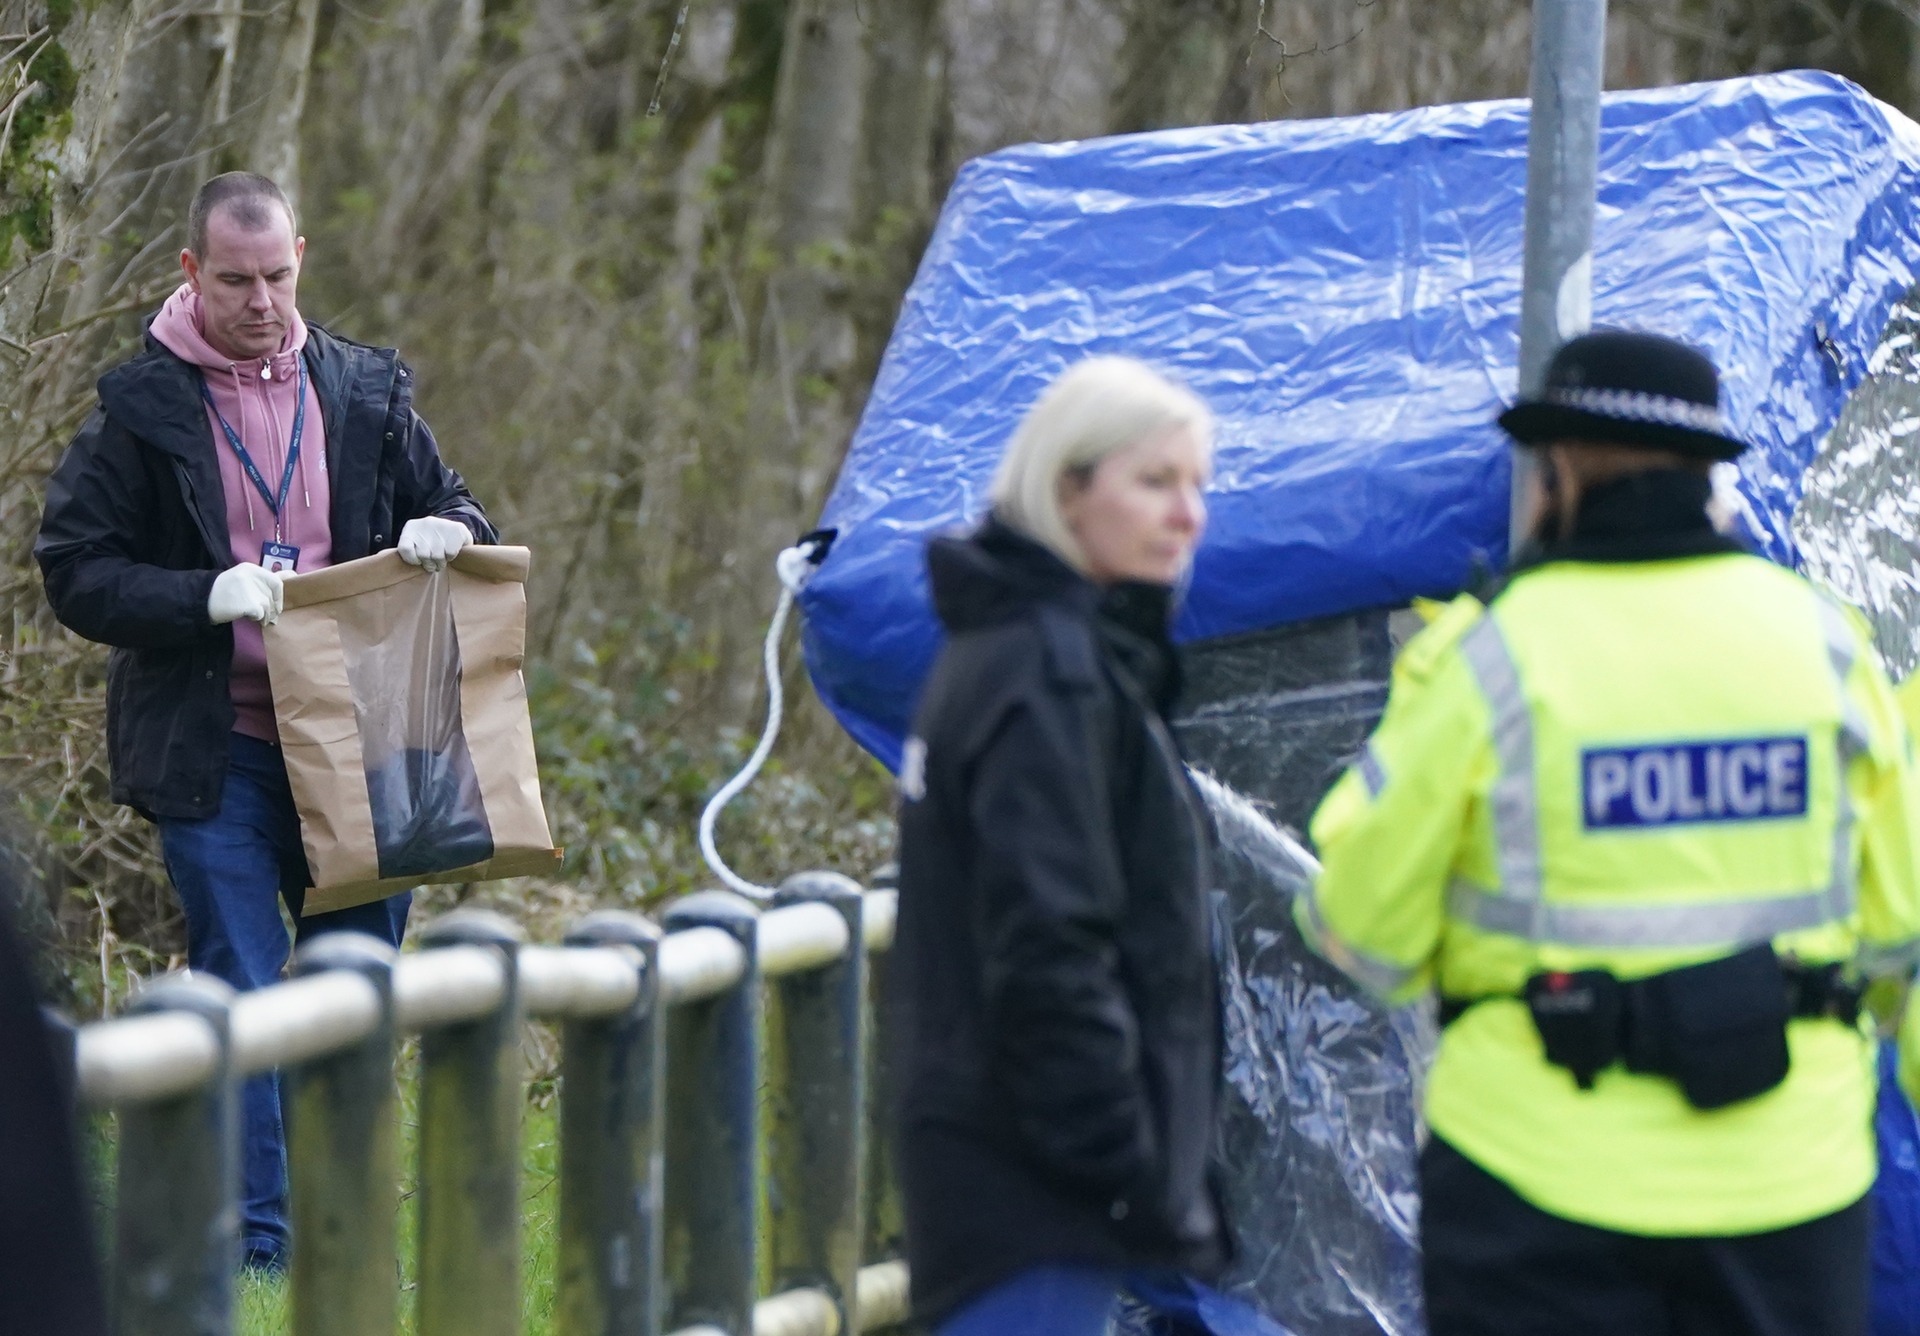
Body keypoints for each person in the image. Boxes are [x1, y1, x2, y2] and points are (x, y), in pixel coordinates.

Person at [1296, 328, 1920, 1336]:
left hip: (1536, 1183)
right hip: (1787, 1174)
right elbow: (1897, 922)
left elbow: (1360, 925)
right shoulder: (1822, 643)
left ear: (1560, 473)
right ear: (1710, 474)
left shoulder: (1492, 657)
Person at [35, 171, 495, 1272]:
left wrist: (446, 530)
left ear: (303, 255)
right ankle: (260, 1246)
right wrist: (200, 595)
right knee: (241, 979)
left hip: (363, 744)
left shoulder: (367, 390)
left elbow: (470, 510)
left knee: (353, 992)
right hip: (216, 748)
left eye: (278, 275)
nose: (261, 300)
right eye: (236, 279)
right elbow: (74, 570)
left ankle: (342, 1227)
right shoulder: (140, 410)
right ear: (192, 272)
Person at [892, 356, 1227, 1335]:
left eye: (1199, 486)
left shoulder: (1008, 645)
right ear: (1067, 489)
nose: (1187, 514)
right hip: (1033, 1185)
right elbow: (1049, 942)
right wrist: (1127, 1163)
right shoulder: (1049, 671)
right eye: (1155, 482)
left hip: (1008, 1168)